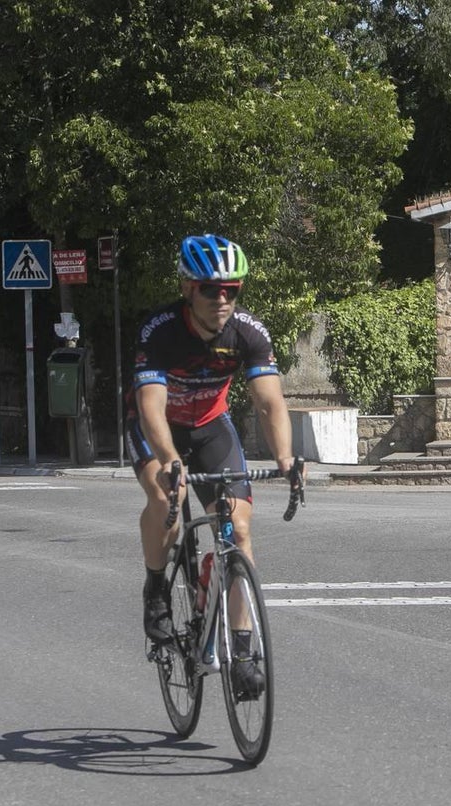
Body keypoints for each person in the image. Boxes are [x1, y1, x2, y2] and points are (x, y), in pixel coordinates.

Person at [124, 233, 298, 699]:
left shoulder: (249, 333)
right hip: (159, 427)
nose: (221, 299)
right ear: (187, 288)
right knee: (167, 495)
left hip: (209, 425)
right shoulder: (158, 331)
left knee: (239, 532)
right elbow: (151, 407)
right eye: (209, 289)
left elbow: (269, 402)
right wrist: (169, 460)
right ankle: (157, 588)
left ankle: (242, 650)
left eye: (231, 290)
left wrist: (285, 457)